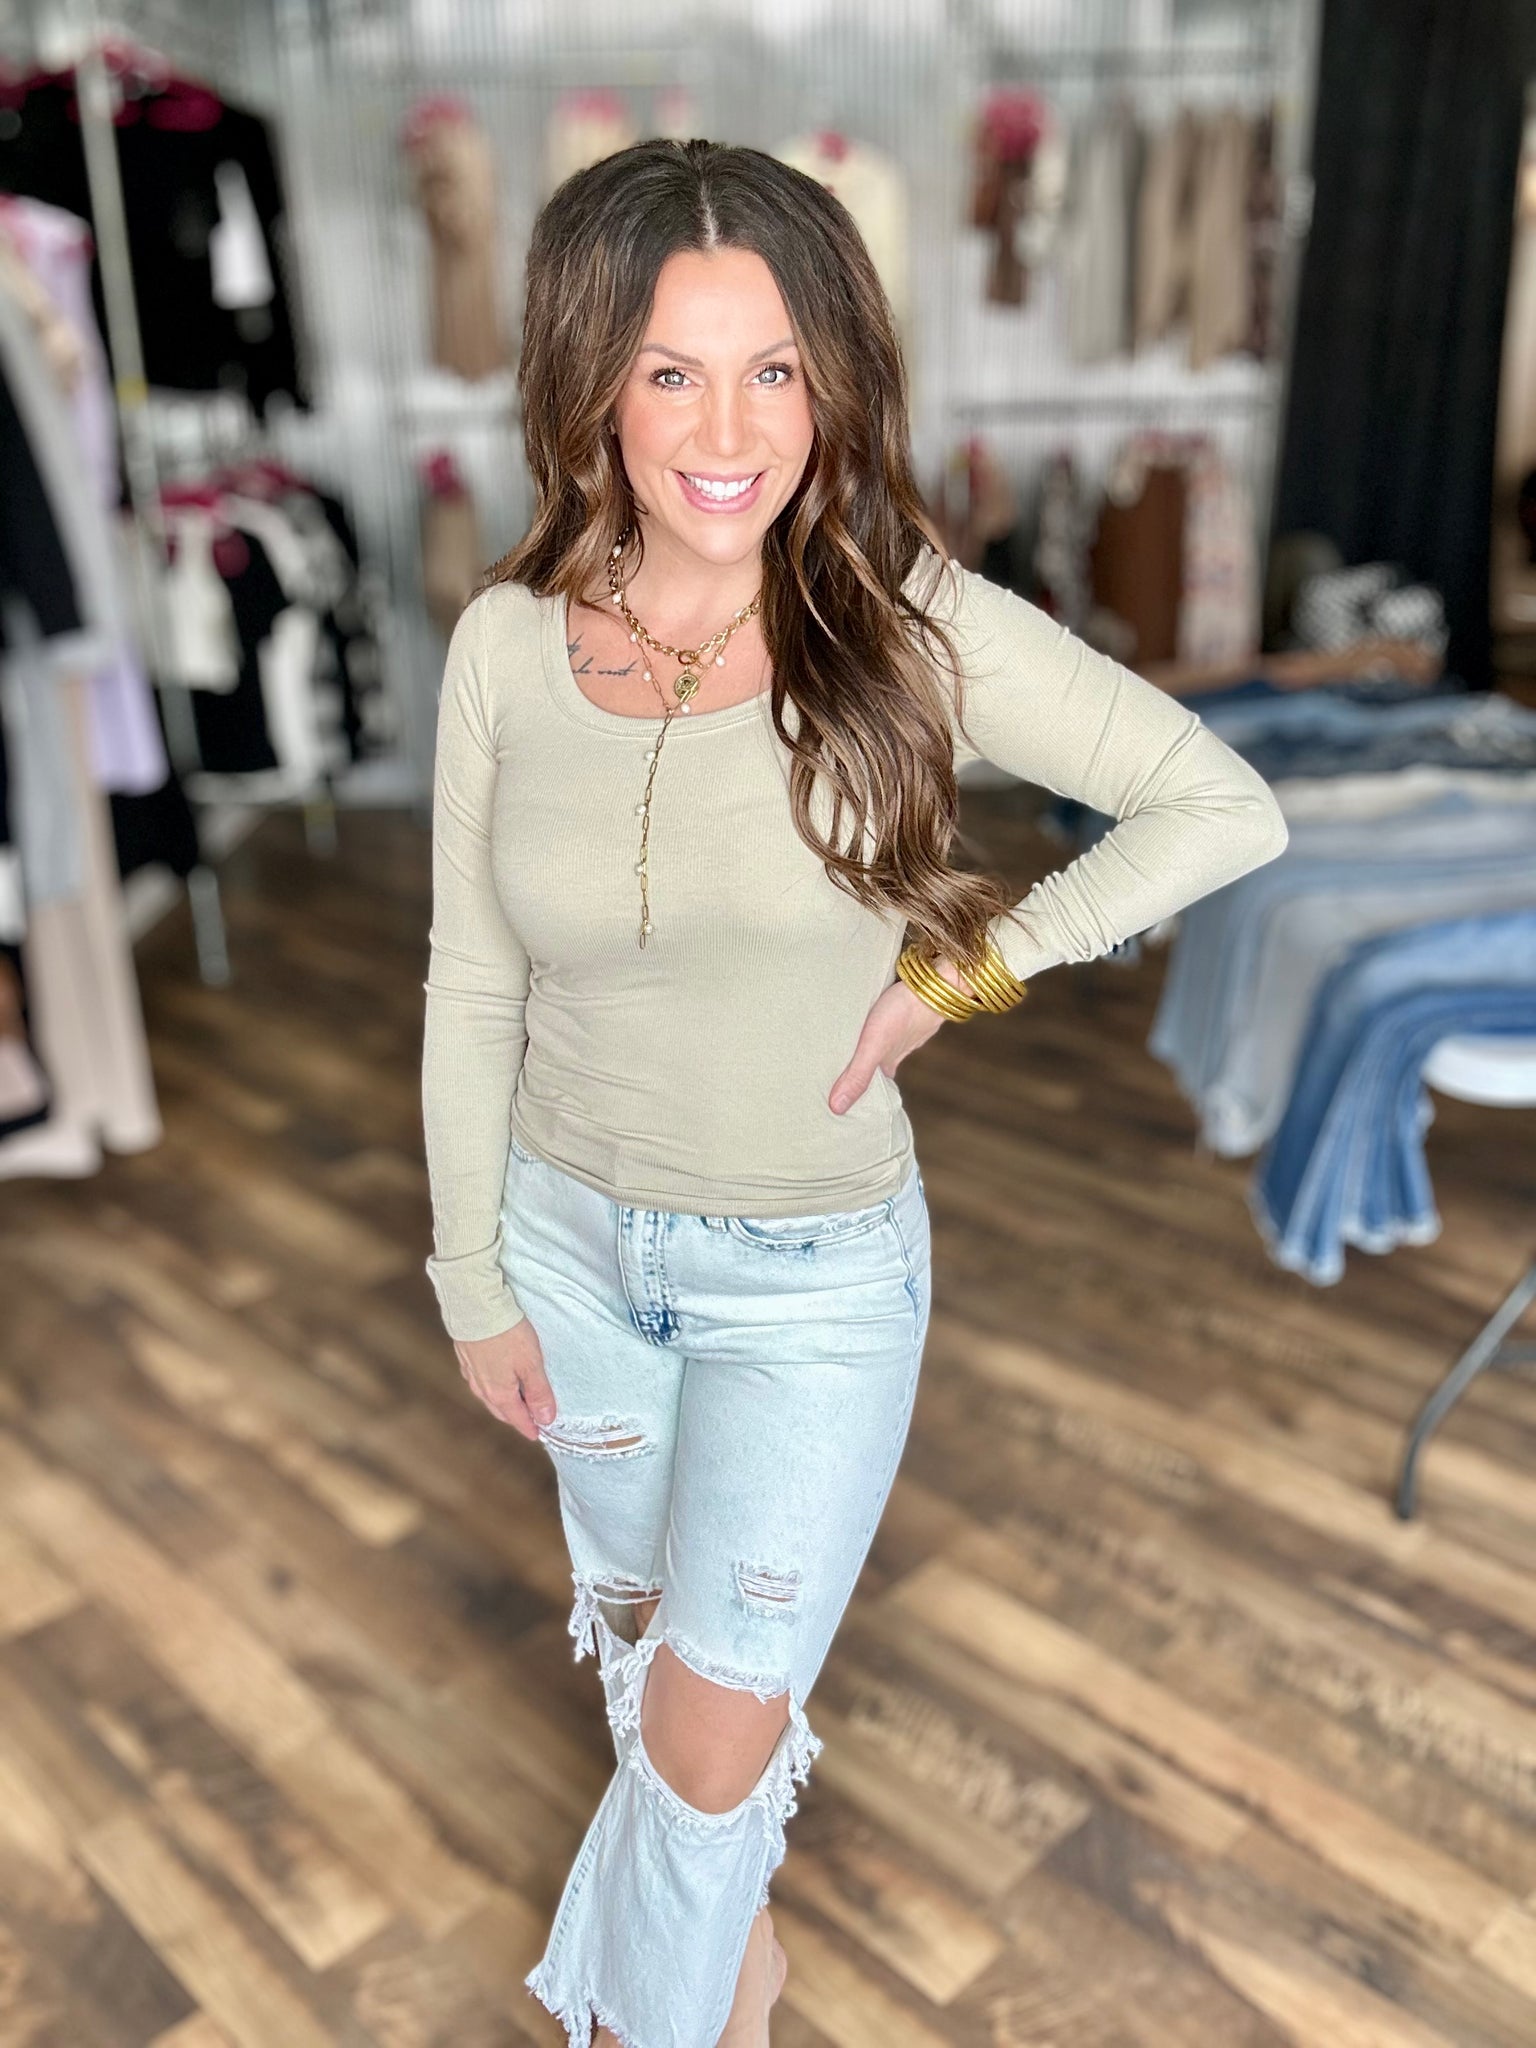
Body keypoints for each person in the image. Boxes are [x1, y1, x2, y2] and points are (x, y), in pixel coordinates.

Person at [420, 138, 1290, 2048]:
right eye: (671, 371)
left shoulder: (909, 617)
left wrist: (968, 972)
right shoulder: (502, 648)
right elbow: (473, 984)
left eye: (777, 371)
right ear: (590, 384)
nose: (730, 429)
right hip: (568, 1253)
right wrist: (471, 1275)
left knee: (708, 1745)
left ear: (834, 385)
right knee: (651, 1683)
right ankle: (737, 1970)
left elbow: (1218, 803)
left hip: (807, 1284)